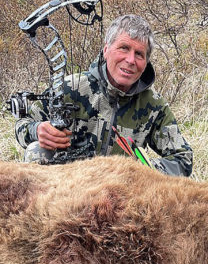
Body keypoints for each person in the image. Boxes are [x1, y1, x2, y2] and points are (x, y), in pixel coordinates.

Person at [15, 14, 193, 176]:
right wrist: (36, 130)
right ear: (106, 50)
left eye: (139, 54)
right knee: (36, 150)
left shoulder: (153, 105)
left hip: (121, 193)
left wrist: (139, 173)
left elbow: (182, 158)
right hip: (67, 186)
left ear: (146, 62)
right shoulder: (71, 87)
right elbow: (22, 125)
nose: (130, 60)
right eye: (124, 48)